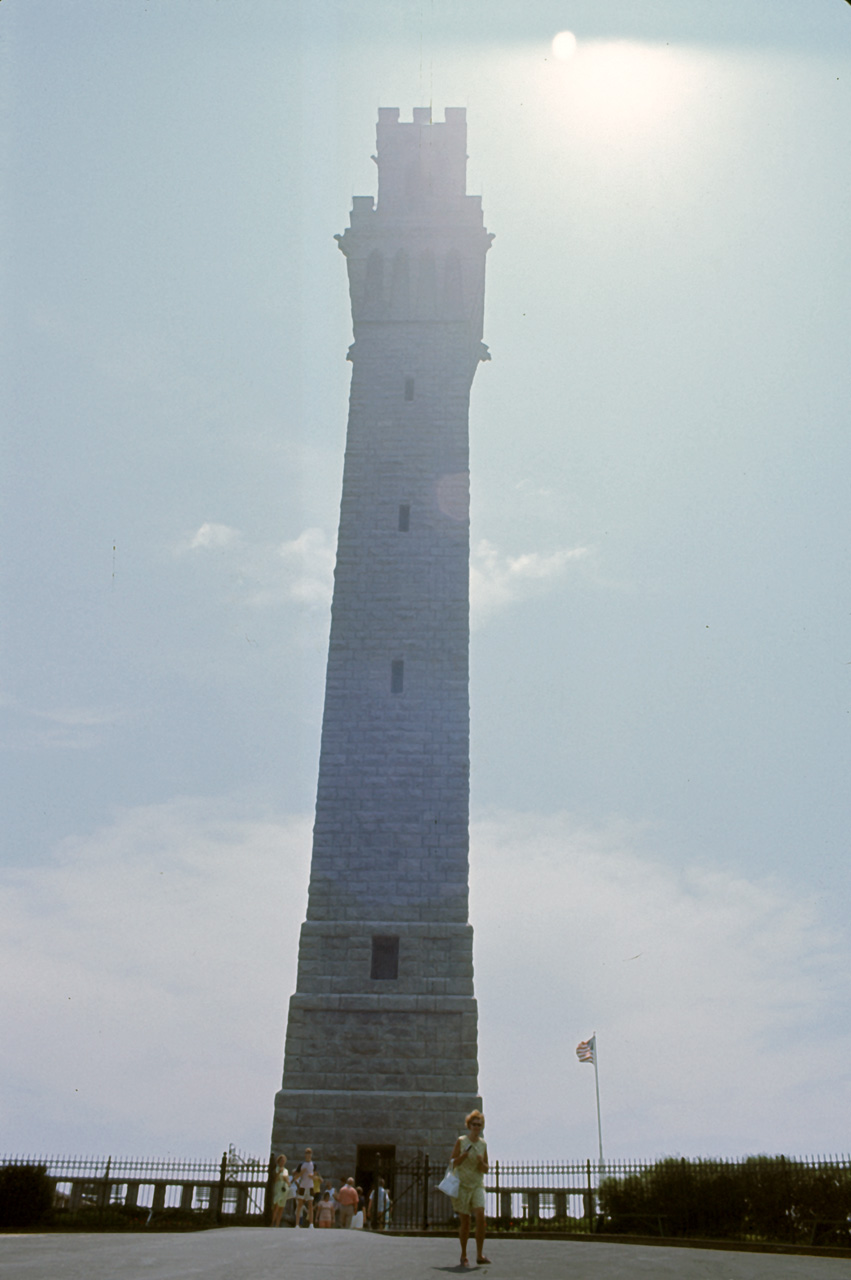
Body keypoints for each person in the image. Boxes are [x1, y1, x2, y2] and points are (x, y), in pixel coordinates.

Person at [450, 1109, 490, 1267]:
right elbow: (453, 1162)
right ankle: (464, 1254)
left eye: (479, 1125)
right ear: (469, 1125)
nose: (477, 1127)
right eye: (474, 1124)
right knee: (465, 1221)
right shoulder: (461, 1141)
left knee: (480, 1215)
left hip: (476, 1184)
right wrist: (463, 1157)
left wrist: (481, 1162)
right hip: (462, 1184)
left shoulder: (483, 1144)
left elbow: (486, 1169)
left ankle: (480, 1254)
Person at [295, 1147, 315, 1227]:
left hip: (310, 1186)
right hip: (302, 1186)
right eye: (307, 1153)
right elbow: (296, 1177)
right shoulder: (301, 1165)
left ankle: (311, 1224)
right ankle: (297, 1224)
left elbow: (316, 1176)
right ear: (305, 1155)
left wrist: (312, 1176)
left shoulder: (314, 1164)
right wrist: (302, 1172)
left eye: (309, 1153)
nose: (308, 1155)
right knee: (299, 1205)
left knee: (310, 1205)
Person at [270, 1154, 290, 1227]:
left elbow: (287, 1179)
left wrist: (288, 1182)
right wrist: (278, 1173)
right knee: (276, 1205)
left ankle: (278, 1224)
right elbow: (274, 1179)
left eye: (283, 1161)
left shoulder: (286, 1170)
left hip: (284, 1188)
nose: (282, 1162)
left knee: (281, 1206)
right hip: (278, 1187)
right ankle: (272, 1222)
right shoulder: (276, 1169)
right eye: (281, 1161)